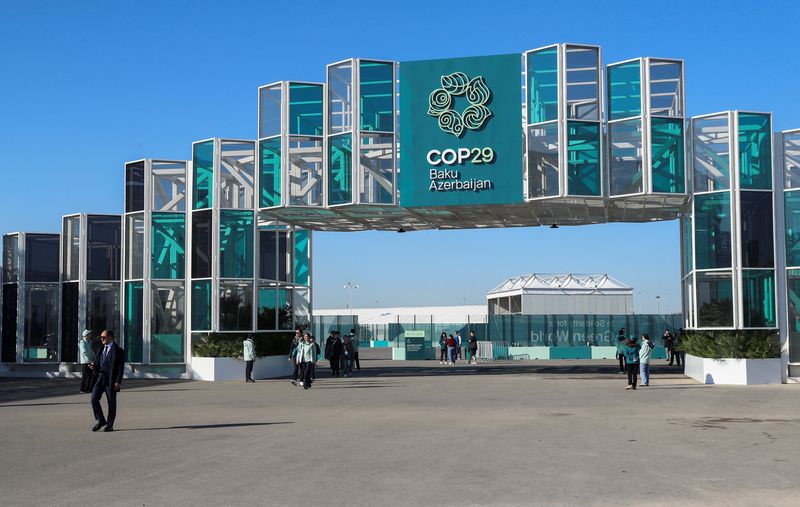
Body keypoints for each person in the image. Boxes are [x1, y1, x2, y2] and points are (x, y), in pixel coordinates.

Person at [88, 330, 125, 432]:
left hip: (111, 380)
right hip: (100, 379)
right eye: (101, 337)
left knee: (111, 403)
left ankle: (110, 425)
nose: (101, 339)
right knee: (94, 399)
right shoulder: (101, 349)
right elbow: (98, 362)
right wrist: (93, 365)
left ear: (110, 337)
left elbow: (121, 368)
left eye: (103, 337)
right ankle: (101, 420)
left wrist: (118, 381)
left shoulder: (118, 351)